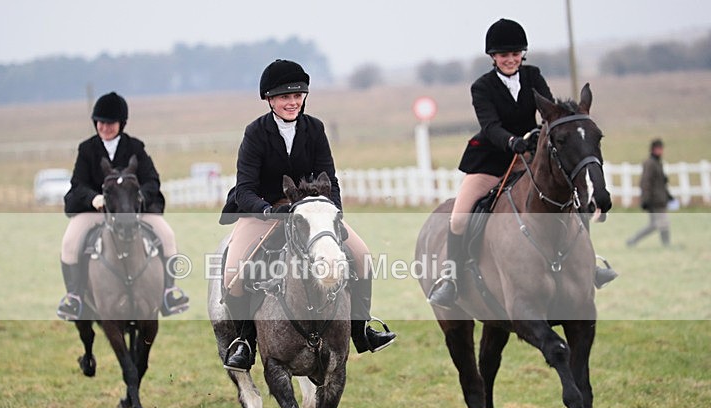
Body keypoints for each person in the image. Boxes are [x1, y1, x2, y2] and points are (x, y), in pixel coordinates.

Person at [218, 59, 396, 371]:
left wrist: (333, 213)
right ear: (270, 100)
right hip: (264, 211)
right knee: (235, 271)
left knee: (361, 255)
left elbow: (331, 179)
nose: (292, 102)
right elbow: (244, 189)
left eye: (297, 95)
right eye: (285, 97)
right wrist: (270, 211)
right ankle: (245, 341)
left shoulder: (315, 128)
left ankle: (362, 329)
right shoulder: (256, 133)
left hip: (312, 211)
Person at [427, 18, 616, 308]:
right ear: (493, 57)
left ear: (522, 54)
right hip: (491, 160)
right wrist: (511, 141)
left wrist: (541, 138)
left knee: (570, 197)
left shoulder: (533, 76)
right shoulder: (482, 87)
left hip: (530, 157)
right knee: (459, 217)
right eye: (504, 55)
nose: (511, 60)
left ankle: (590, 263)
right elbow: (489, 126)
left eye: (516, 54)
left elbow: (550, 112)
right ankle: (452, 280)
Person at [57, 91, 189, 320]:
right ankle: (75, 297)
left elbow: (152, 180)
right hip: (97, 211)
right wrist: (93, 198)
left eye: (111, 123)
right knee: (69, 242)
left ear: (121, 123)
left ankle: (169, 292)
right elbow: (77, 184)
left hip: (133, 211)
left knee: (167, 236)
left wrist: (137, 198)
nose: (105, 127)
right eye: (101, 122)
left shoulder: (135, 147)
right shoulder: (87, 149)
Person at [627, 138, 672, 247]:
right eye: (658, 149)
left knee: (656, 225)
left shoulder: (658, 163)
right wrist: (646, 200)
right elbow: (645, 183)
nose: (661, 151)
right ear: (653, 149)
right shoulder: (650, 163)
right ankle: (666, 245)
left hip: (660, 200)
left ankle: (633, 241)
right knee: (662, 224)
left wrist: (668, 196)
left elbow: (661, 184)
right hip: (654, 201)